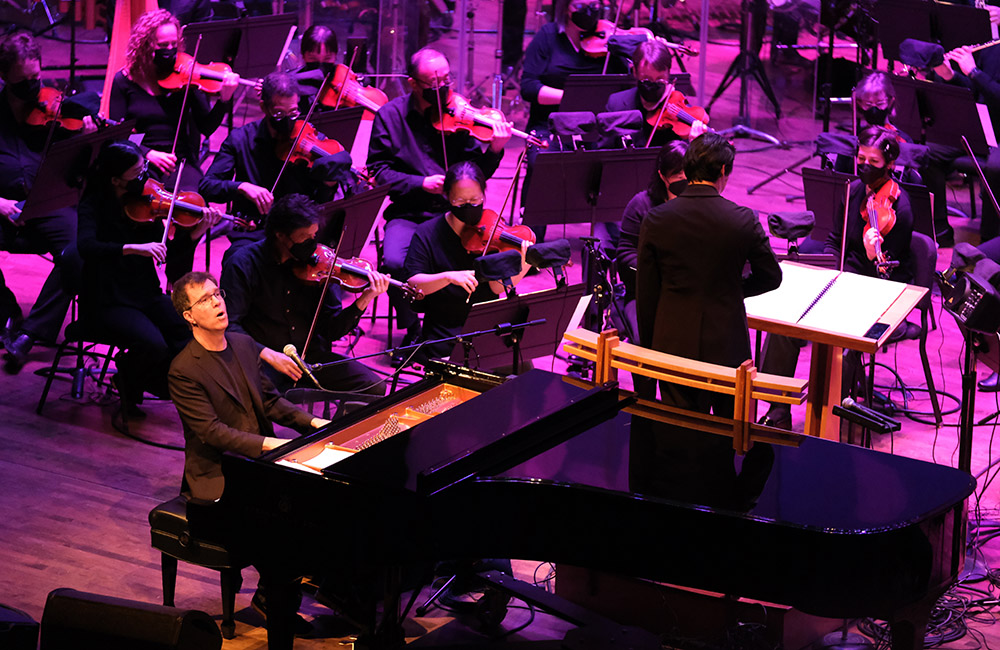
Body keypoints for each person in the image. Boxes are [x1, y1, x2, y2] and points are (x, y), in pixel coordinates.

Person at [168, 270, 329, 641]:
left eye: (217, 294)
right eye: (204, 300)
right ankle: (277, 599)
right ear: (189, 316)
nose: (217, 302)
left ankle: (301, 589)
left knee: (320, 506)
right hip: (218, 480)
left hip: (261, 466)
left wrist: (313, 422)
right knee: (284, 534)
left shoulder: (242, 344)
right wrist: (272, 446)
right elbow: (211, 432)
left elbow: (270, 402)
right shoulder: (183, 370)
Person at [758, 127, 916, 428]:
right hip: (844, 279)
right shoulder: (853, 190)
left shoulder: (901, 209)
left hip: (880, 288)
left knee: (844, 343)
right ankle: (777, 410)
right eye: (861, 158)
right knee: (784, 324)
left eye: (874, 161)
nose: (865, 166)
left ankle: (828, 418)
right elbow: (834, 239)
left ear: (891, 164)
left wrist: (873, 257)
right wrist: (831, 270)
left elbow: (893, 273)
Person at [367, 48, 510, 358]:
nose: (443, 88)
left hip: (457, 216)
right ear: (412, 83)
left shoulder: (458, 115)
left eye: (447, 80)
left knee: (486, 259)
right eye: (433, 83)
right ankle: (414, 331)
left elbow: (476, 174)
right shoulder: (390, 117)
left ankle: (465, 330)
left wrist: (495, 150)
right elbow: (378, 171)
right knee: (393, 263)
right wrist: (420, 183)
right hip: (411, 212)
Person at [77, 139, 221, 430]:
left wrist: (195, 234)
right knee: (152, 343)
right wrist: (132, 248)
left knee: (188, 332)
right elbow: (86, 247)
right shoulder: (93, 204)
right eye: (137, 173)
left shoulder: (149, 205)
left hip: (143, 291)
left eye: (144, 169)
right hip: (107, 296)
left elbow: (174, 264)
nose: (145, 178)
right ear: (116, 180)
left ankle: (140, 381)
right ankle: (129, 379)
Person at [636, 132, 782, 413]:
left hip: (672, 342)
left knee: (678, 430)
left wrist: (651, 348)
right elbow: (771, 276)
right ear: (724, 170)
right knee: (728, 430)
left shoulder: (656, 219)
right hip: (727, 343)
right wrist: (735, 288)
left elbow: (647, 293)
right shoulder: (743, 219)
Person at [109, 9, 238, 285]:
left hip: (181, 162)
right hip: (140, 161)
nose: (170, 51)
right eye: (162, 46)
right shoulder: (124, 81)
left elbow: (206, 127)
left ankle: (176, 284)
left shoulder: (187, 77)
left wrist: (225, 99)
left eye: (173, 45)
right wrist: (147, 154)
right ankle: (139, 281)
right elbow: (116, 134)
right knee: (140, 209)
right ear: (145, 45)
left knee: (189, 210)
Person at [220, 193, 389, 396]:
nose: (312, 243)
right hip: (264, 360)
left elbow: (331, 330)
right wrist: (268, 354)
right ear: (280, 235)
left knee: (374, 387)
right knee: (261, 397)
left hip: (309, 357)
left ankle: (335, 428)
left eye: (314, 236)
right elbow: (231, 326)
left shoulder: (319, 267)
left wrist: (365, 297)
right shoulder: (243, 264)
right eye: (305, 238)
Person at [0, 31, 95, 372]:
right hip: (3, 208)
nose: (33, 86)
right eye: (23, 81)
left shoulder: (53, 103)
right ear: (4, 76)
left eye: (36, 77)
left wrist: (87, 130)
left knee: (79, 251)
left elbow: (90, 113)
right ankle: (5, 310)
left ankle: (30, 332)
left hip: (48, 204)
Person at [199, 71, 361, 258]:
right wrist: (242, 187)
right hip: (254, 231)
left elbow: (321, 202)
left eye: (293, 113)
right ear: (264, 107)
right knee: (235, 259)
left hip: (299, 232)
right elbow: (207, 186)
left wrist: (328, 184)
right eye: (278, 113)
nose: (287, 120)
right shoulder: (240, 139)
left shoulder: (308, 138)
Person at [403, 161, 530, 366]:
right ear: (447, 197)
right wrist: (448, 277)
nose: (469, 206)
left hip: (488, 331)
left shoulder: (493, 229)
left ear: (484, 194)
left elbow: (497, 286)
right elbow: (413, 284)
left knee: (523, 368)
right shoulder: (427, 233)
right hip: (444, 336)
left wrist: (525, 262)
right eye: (460, 201)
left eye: (475, 199)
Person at [926, 42, 1000, 244]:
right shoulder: (993, 47)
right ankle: (939, 229)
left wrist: (974, 71)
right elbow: (977, 93)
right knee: (929, 152)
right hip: (983, 127)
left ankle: (990, 241)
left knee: (996, 168)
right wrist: (951, 75)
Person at [616, 140, 688, 342]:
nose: (685, 182)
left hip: (684, 295)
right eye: (678, 177)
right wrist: (657, 271)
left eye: (689, 177)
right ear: (662, 176)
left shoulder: (697, 204)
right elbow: (625, 253)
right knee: (644, 340)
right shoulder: (640, 204)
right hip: (643, 296)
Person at [605, 40, 708, 148]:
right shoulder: (616, 104)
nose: (653, 85)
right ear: (635, 72)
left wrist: (694, 145)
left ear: (668, 73)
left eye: (660, 80)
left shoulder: (679, 113)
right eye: (646, 79)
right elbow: (603, 155)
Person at [292, 24, 339, 115]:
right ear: (303, 55)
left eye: (327, 59)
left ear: (336, 55)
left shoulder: (344, 77)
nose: (320, 70)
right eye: (313, 59)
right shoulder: (291, 79)